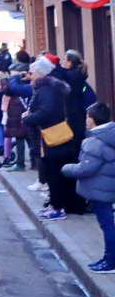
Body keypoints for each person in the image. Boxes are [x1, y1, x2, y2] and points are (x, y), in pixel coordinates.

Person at [23, 57, 87, 218]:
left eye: (31, 72)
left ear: (40, 73)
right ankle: (58, 204)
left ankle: (57, 207)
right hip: (56, 136)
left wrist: (28, 118)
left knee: (54, 173)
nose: (29, 76)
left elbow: (47, 112)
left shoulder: (46, 89)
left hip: (52, 137)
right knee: (57, 172)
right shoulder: (52, 87)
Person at [63, 103, 115, 273]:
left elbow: (85, 168)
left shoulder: (95, 142)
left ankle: (110, 261)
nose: (85, 120)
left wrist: (66, 168)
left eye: (87, 117)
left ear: (92, 120)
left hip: (100, 190)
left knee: (107, 225)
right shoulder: (110, 135)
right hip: (108, 187)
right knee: (108, 224)